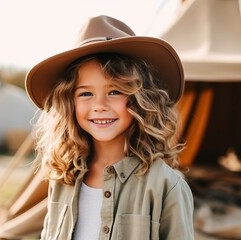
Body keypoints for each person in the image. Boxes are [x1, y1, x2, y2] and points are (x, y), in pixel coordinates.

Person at [25, 15, 194, 240]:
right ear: (69, 103)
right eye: (86, 93)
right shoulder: (63, 177)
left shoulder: (166, 185)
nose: (100, 106)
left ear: (141, 99)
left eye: (115, 91)